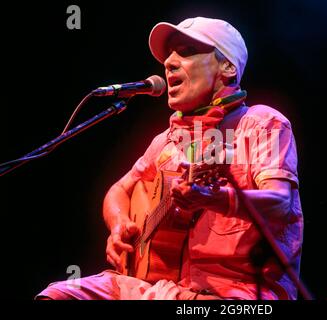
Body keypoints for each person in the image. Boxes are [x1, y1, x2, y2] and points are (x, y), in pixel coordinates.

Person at [36, 16, 303, 300]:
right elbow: (118, 191)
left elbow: (280, 203)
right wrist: (119, 225)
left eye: (186, 52)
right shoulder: (166, 141)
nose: (169, 63)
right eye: (169, 55)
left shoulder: (261, 123)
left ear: (227, 67)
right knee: (58, 295)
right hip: (156, 287)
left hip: (233, 295)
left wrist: (214, 198)